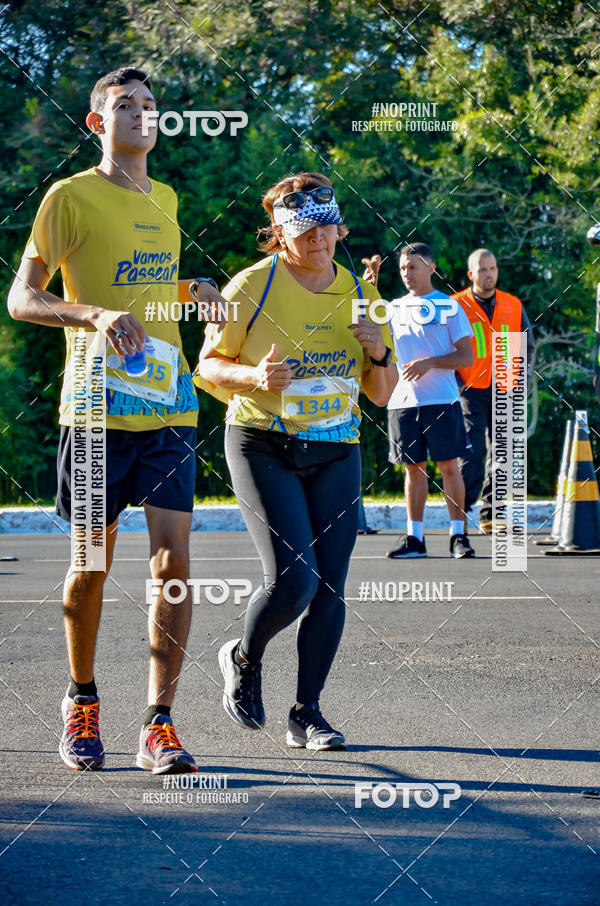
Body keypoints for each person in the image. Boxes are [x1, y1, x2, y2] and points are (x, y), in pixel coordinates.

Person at [7, 67, 225, 774]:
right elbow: (23, 299)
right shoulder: (69, 197)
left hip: (167, 408)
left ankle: (159, 722)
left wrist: (194, 291)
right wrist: (94, 313)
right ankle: (81, 701)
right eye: (124, 106)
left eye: (151, 106)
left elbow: (149, 288)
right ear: (98, 123)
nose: (141, 114)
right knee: (90, 566)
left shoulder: (165, 196)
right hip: (95, 410)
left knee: (174, 567)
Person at [194, 172, 397, 750]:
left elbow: (381, 392)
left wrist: (377, 350)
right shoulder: (250, 287)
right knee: (294, 580)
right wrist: (254, 375)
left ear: (340, 228)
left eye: (326, 229)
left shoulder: (363, 293)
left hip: (336, 448)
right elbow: (208, 366)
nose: (318, 240)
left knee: (330, 588)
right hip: (263, 442)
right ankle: (243, 656)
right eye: (305, 231)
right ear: (280, 235)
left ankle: (307, 713)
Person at [383, 243, 476, 559]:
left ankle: (458, 537)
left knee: (450, 467)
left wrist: (429, 362)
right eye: (403, 269)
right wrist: (369, 285)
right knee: (413, 470)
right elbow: (368, 336)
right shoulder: (392, 307)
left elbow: (466, 356)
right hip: (402, 402)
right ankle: (415, 539)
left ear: (431, 267)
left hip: (442, 401)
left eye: (413, 267)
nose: (407, 274)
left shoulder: (448, 306)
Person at [452, 249, 535, 533]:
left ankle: (492, 514)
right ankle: (460, 515)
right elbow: (444, 346)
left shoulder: (513, 305)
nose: (489, 274)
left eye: (493, 268)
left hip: (506, 387)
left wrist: (522, 376)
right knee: (472, 453)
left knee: (503, 454)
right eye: (483, 269)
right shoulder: (457, 305)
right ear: (471, 274)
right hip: (470, 388)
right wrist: (455, 381)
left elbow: (528, 345)